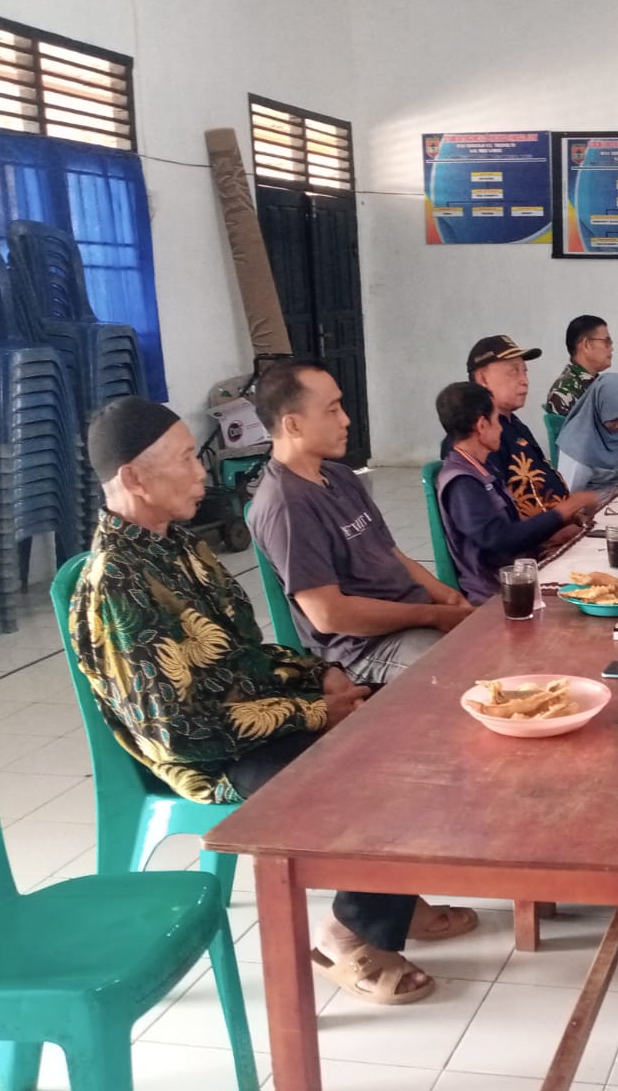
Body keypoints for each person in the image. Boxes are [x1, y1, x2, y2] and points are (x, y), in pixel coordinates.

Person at [69, 397, 474, 1009]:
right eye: (185, 460)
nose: (202, 473)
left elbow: (244, 654)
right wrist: (313, 713)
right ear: (134, 478)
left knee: (410, 727)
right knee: (378, 770)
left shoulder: (179, 547)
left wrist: (321, 673)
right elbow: (181, 731)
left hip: (259, 715)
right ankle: (347, 933)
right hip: (213, 756)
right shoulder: (115, 585)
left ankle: (391, 897)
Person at [248, 360, 473, 685]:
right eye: (332, 410)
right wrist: (434, 615)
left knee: (499, 640)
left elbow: (393, 555)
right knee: (469, 673)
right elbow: (329, 614)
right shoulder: (285, 504)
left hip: (413, 619)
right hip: (365, 649)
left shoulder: (340, 476)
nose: (346, 420)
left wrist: (450, 599)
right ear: (293, 425)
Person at [436, 381, 597, 604]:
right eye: (496, 420)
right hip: (500, 592)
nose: (501, 428)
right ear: (482, 425)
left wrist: (559, 525)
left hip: (522, 571)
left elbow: (513, 527)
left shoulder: (483, 467)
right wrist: (562, 512)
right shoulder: (463, 482)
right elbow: (500, 541)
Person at [439, 334, 569, 519]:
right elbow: (501, 518)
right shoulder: (476, 438)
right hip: (538, 534)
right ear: (483, 379)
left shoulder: (514, 424)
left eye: (525, 372)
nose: (525, 380)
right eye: (514, 371)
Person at [556, 372, 618, 492]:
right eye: (614, 419)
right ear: (599, 408)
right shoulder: (577, 445)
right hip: (593, 501)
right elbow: (567, 495)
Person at [545, 314, 614, 417]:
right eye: (607, 342)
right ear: (587, 345)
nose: (611, 348)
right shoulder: (564, 391)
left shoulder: (597, 384)